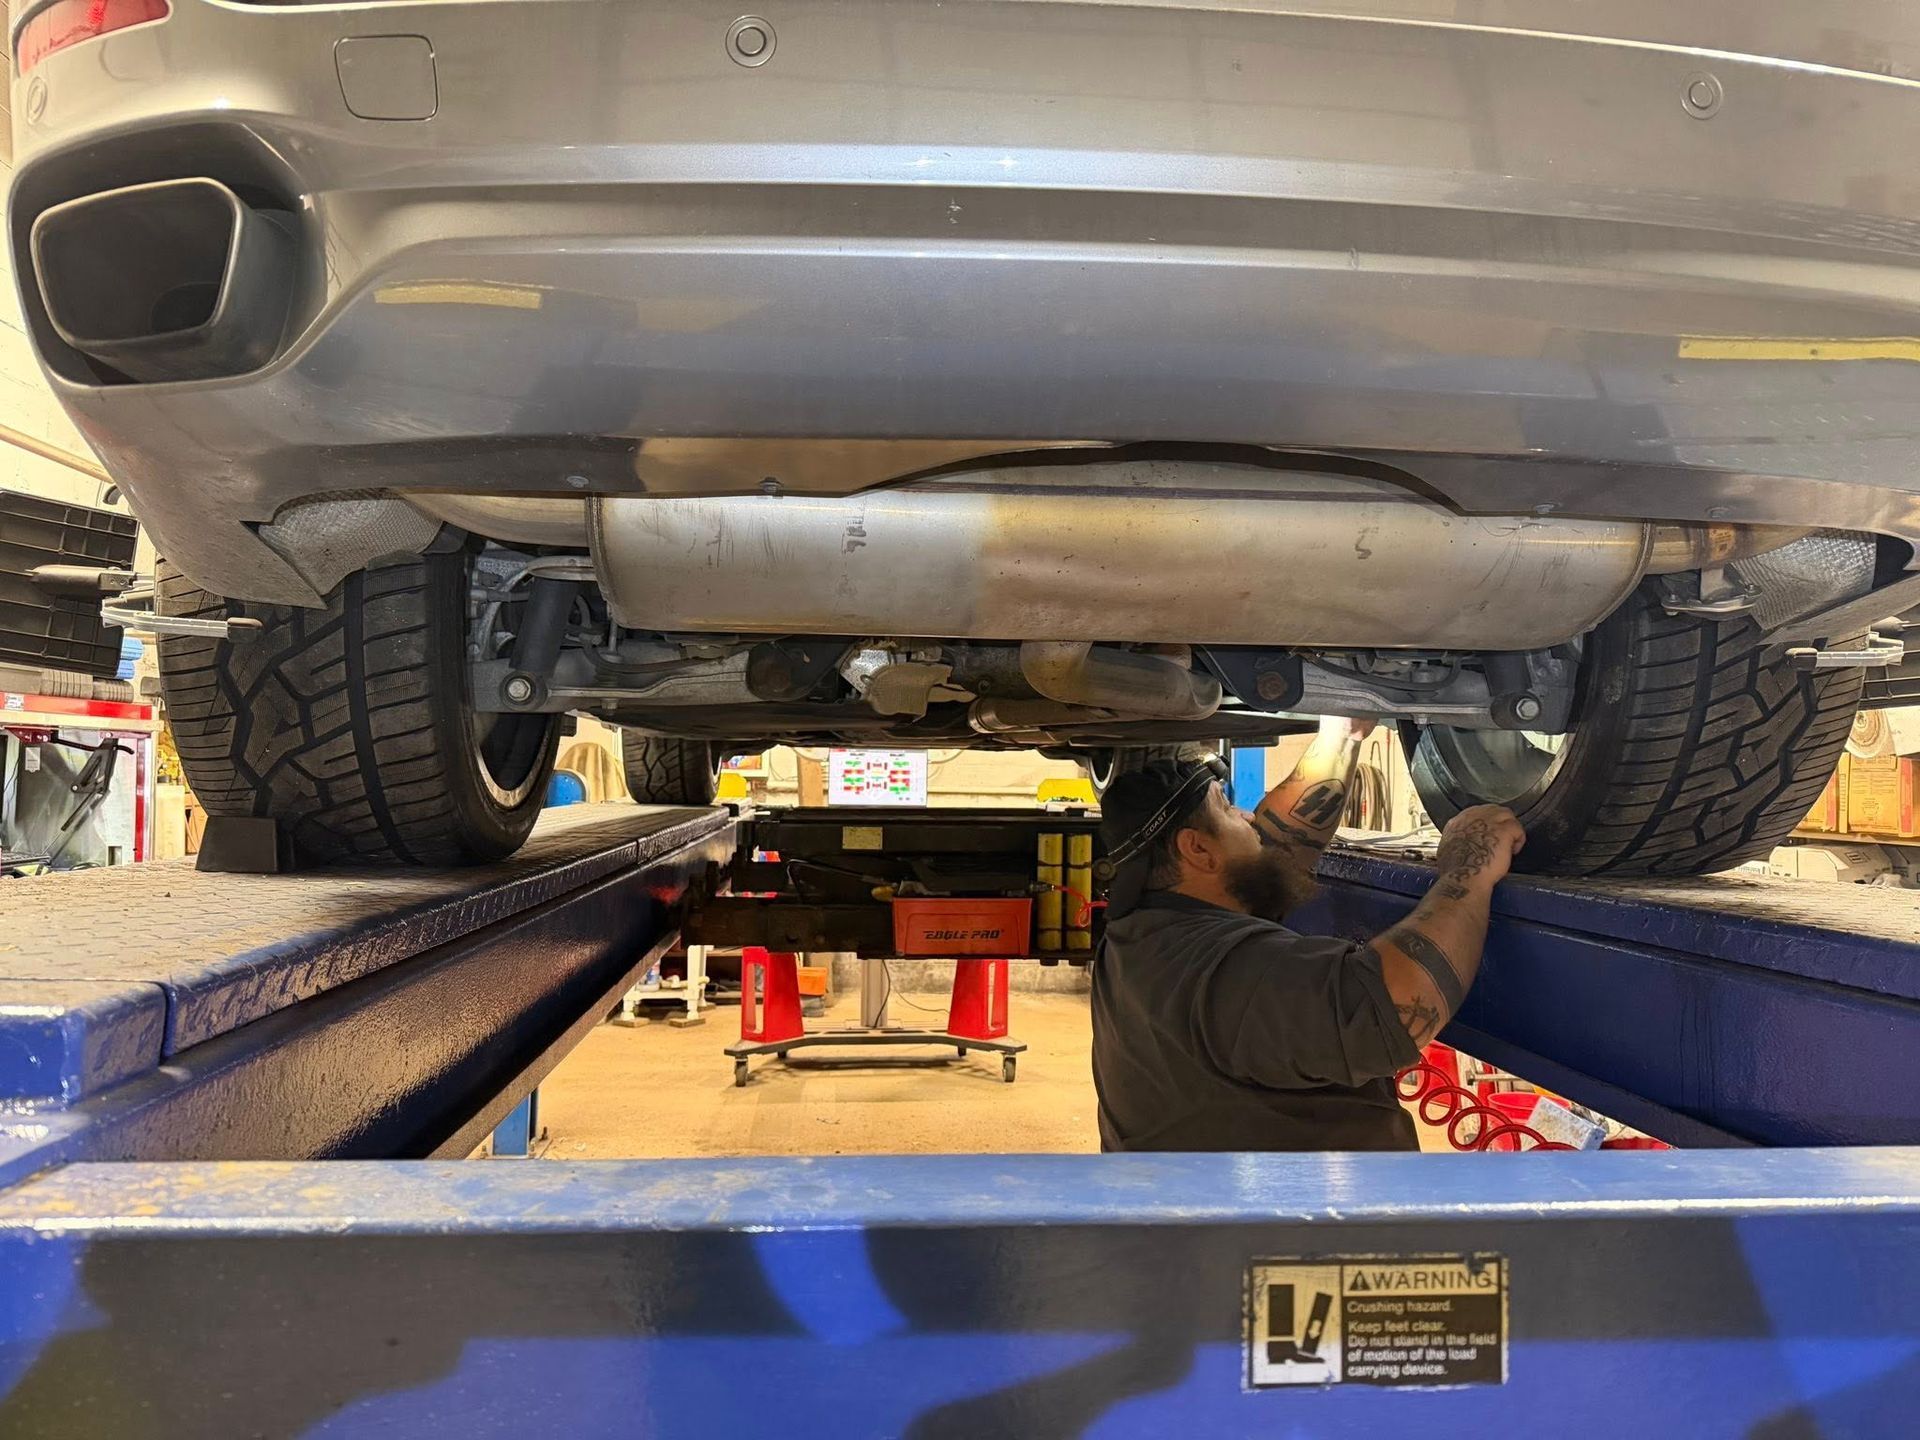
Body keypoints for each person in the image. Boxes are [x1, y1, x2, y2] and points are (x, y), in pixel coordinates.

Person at [1091, 719, 1526, 1152]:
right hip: (1295, 1214)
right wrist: (1471, 865)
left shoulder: (1139, 935)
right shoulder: (1227, 969)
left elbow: (1275, 845)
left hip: (1218, 1208)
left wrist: (1341, 737)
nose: (1247, 815)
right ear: (1199, 850)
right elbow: (1391, 1007)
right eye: (1227, 809)